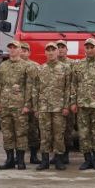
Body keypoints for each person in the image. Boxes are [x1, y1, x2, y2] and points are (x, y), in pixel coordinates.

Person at [0, 41, 35, 170]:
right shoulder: (3, 66)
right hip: (5, 105)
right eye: (10, 47)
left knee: (21, 133)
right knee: (7, 133)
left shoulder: (26, 66)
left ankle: (21, 160)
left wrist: (27, 104)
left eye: (15, 48)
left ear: (20, 50)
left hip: (19, 106)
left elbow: (30, 87)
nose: (12, 50)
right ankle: (10, 159)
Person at [34, 41, 73, 170]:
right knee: (45, 135)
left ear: (57, 52)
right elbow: (36, 90)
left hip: (59, 108)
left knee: (58, 135)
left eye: (53, 50)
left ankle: (59, 160)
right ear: (45, 52)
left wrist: (66, 106)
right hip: (44, 108)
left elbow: (68, 88)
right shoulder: (41, 68)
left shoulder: (65, 68)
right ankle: (44, 161)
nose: (50, 52)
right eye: (48, 50)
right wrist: (36, 108)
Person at [72, 37, 95, 171]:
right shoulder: (78, 64)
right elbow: (74, 85)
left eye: (91, 47)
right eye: (87, 47)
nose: (89, 49)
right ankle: (87, 159)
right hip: (82, 104)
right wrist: (73, 102)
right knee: (83, 133)